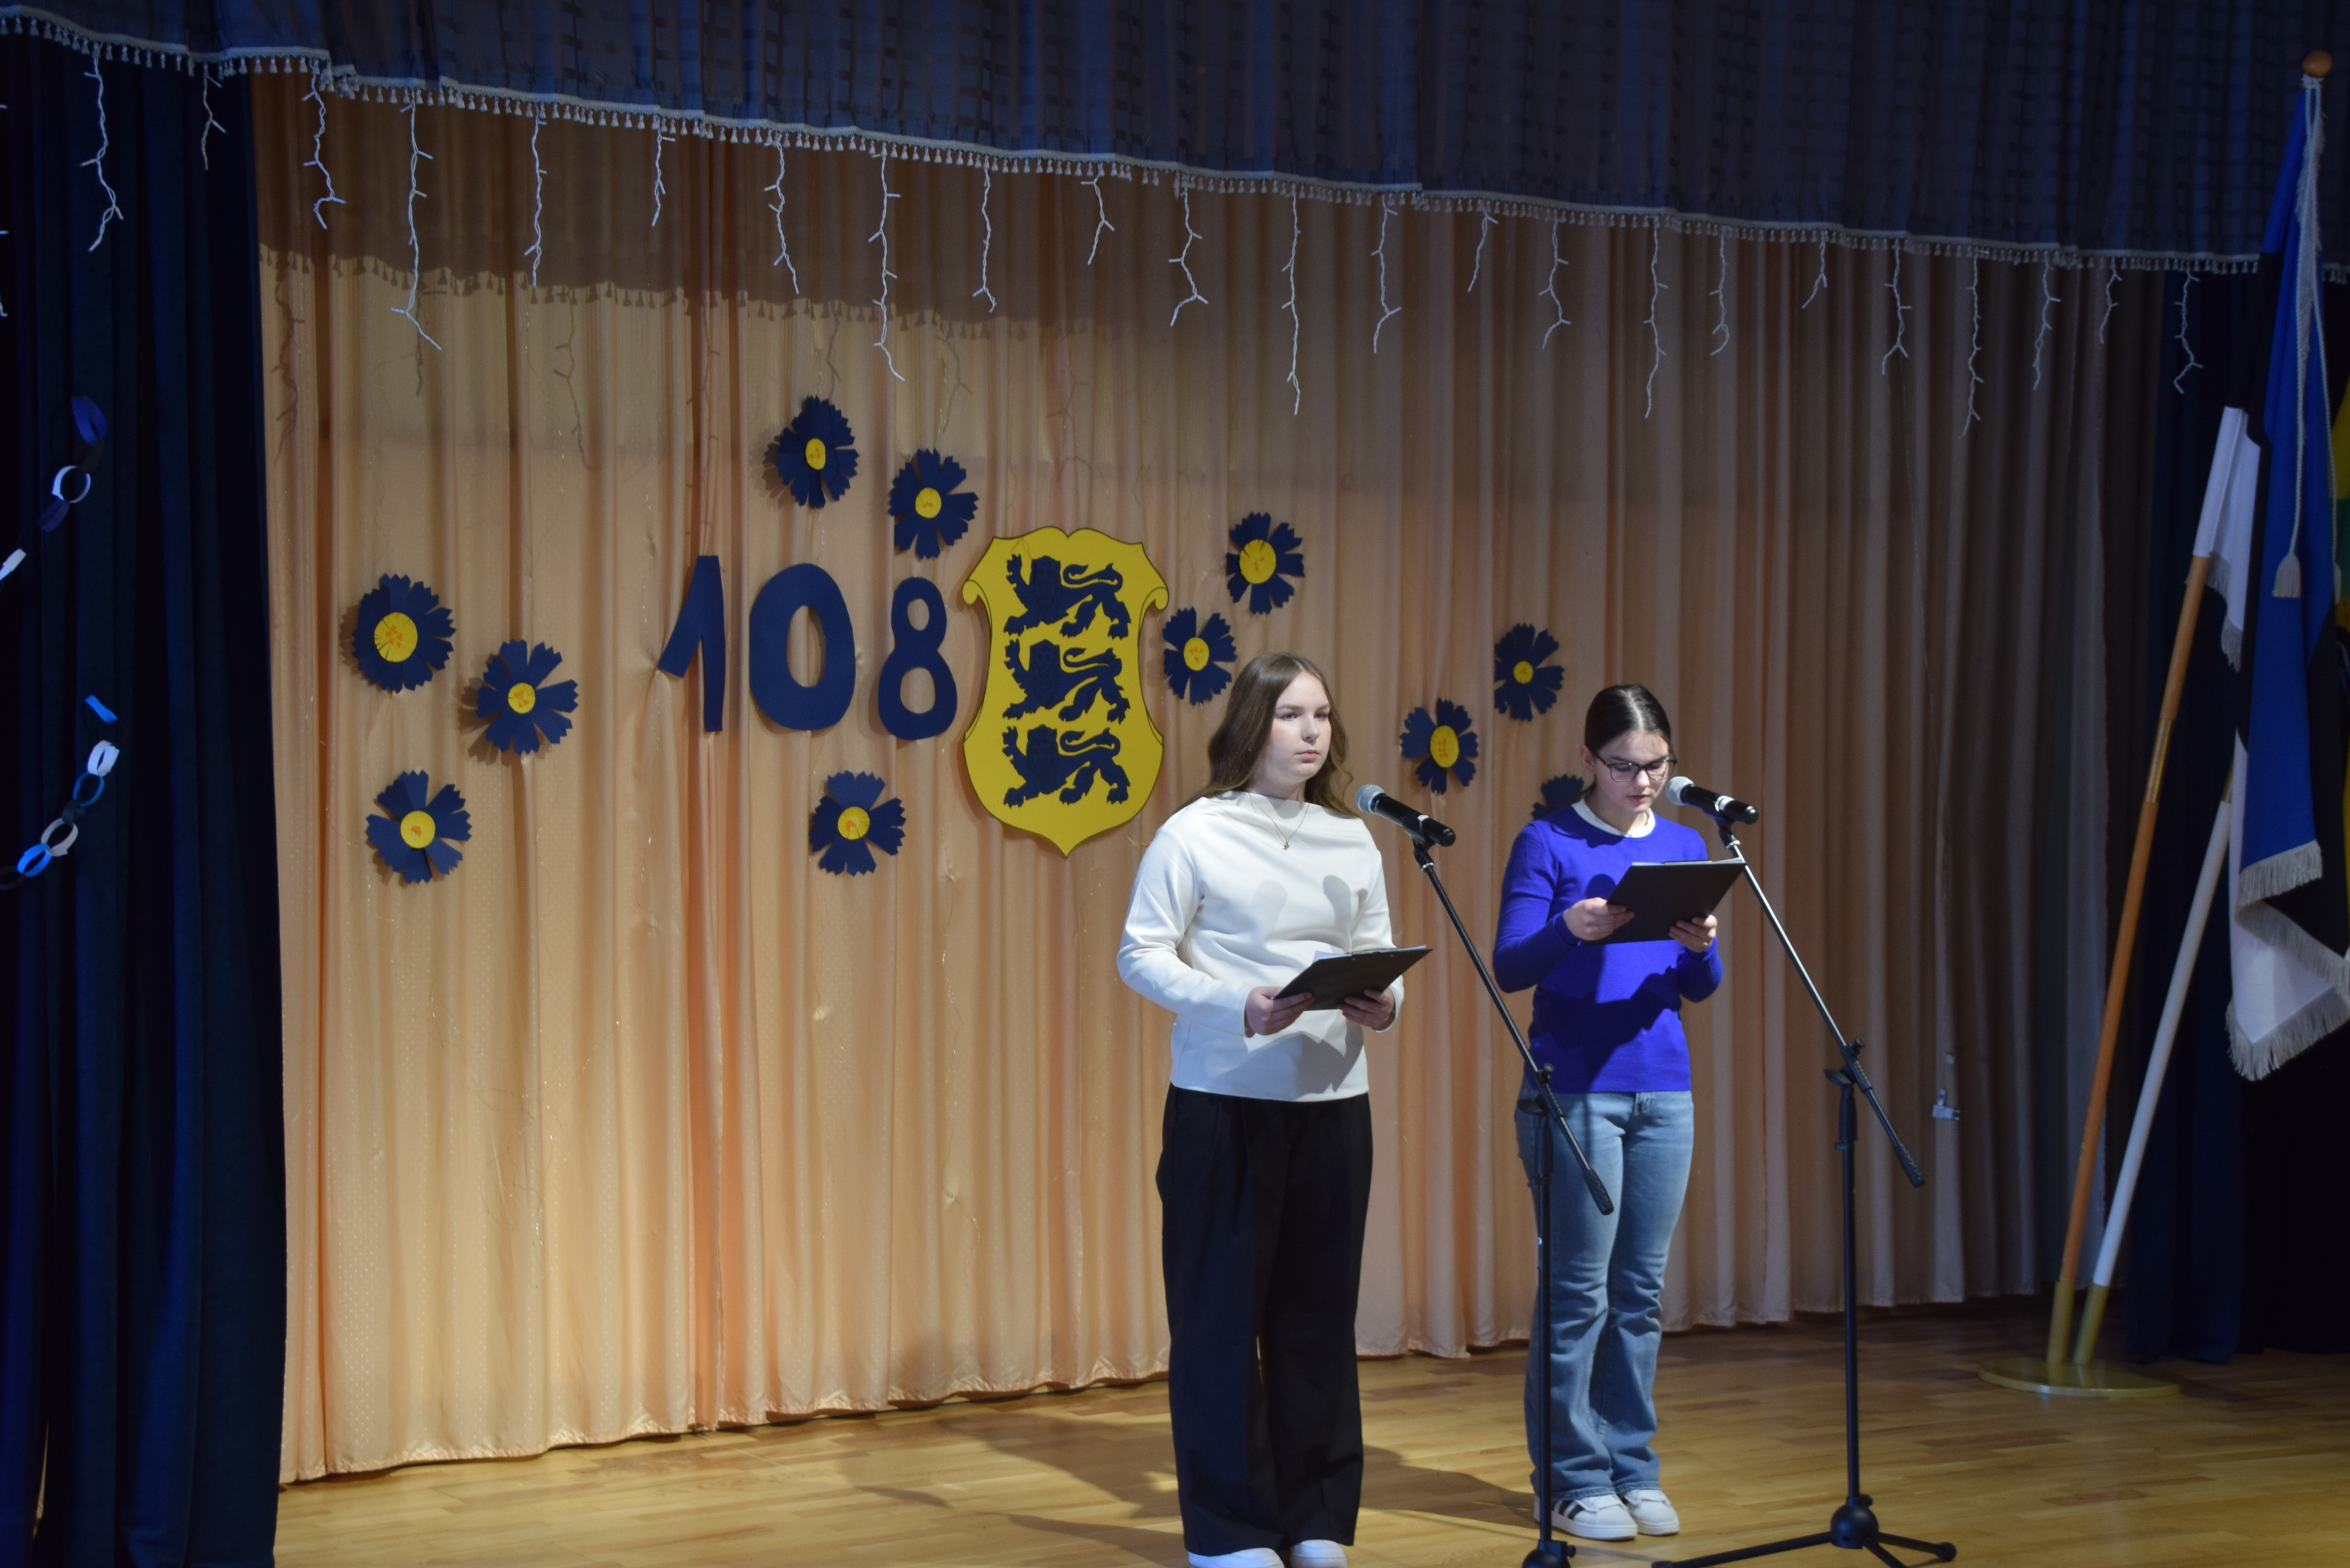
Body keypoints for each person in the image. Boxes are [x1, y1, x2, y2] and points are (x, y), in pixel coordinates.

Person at [1116, 652, 1406, 1568]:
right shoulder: (1195, 833)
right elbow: (1140, 953)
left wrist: (1386, 1002)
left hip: (1333, 1105)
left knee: (1317, 1320)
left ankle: (1316, 1517)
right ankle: (1230, 1531)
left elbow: (1376, 947)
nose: (1311, 732)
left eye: (1321, 714)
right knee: (1218, 1320)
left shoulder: (1351, 838)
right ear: (1250, 725)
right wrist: (1237, 1003)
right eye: (1290, 715)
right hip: (1226, 1104)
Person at [1491, 683, 1722, 1543]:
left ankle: (1632, 1465)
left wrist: (1702, 950)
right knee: (1578, 1294)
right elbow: (1511, 966)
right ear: (1588, 760)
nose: (1643, 782)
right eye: (1624, 766)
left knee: (1639, 1294)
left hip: (1665, 1088)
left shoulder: (1686, 843)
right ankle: (1571, 1479)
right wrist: (1572, 929)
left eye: (1657, 765)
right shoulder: (1548, 840)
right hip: (1576, 1089)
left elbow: (1698, 986)